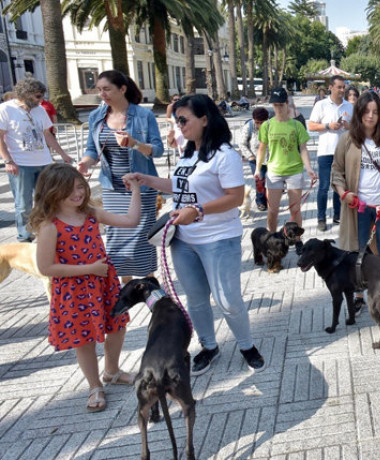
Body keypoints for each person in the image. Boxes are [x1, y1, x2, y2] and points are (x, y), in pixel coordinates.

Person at [124, 94, 266, 374]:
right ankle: (209, 346)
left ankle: (247, 345)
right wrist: (147, 180)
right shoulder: (187, 153)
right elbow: (180, 187)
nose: (179, 126)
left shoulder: (224, 155)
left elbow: (236, 197)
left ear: (205, 119)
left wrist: (198, 211)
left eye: (184, 120)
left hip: (218, 239)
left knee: (228, 300)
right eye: (177, 120)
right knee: (196, 299)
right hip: (184, 241)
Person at [31, 164, 141, 412]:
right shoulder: (49, 226)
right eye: (69, 190)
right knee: (84, 339)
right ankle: (94, 386)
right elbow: (46, 267)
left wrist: (135, 190)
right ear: (52, 192)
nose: (78, 193)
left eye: (80, 186)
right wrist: (88, 269)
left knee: (117, 326)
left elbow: (131, 220)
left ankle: (112, 371)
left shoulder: (91, 213)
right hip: (75, 291)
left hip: (103, 282)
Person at [77, 70, 163, 281]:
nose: (102, 94)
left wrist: (135, 144)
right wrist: (85, 163)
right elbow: (91, 149)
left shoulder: (144, 115)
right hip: (111, 186)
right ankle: (124, 283)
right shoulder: (97, 116)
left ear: (122, 89)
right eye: (99, 90)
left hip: (141, 185)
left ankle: (148, 281)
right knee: (117, 236)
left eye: (107, 89)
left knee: (142, 236)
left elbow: (158, 150)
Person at [332, 91, 380, 310]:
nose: (370, 116)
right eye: (366, 111)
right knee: (358, 252)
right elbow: (336, 171)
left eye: (375, 112)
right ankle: (358, 295)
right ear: (359, 112)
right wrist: (343, 193)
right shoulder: (348, 140)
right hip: (358, 207)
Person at [0, 78, 73, 242]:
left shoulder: (39, 110)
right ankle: (24, 236)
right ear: (25, 94)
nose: (41, 100)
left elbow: (47, 135)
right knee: (23, 203)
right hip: (21, 163)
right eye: (38, 96)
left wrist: (63, 154)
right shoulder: (5, 109)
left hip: (44, 162)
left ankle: (47, 233)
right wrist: (8, 160)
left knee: (47, 199)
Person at [255, 87, 317, 233]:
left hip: (294, 171)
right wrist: (258, 169)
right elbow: (262, 149)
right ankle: (271, 237)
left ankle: (297, 239)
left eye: (281, 105)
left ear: (287, 103)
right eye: (275, 105)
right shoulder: (267, 125)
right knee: (272, 210)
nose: (278, 108)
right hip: (274, 172)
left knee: (295, 210)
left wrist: (309, 168)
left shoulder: (296, 125)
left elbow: (303, 148)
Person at [308, 76, 352, 231]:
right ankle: (321, 218)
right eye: (339, 87)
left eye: (343, 87)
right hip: (325, 152)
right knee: (324, 186)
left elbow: (355, 128)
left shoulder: (349, 106)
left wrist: (347, 126)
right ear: (331, 87)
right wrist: (328, 125)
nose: (342, 90)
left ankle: (338, 215)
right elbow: (311, 126)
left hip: (343, 153)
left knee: (340, 186)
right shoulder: (321, 105)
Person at [240, 107, 270, 211]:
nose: (260, 125)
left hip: (270, 158)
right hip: (255, 158)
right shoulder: (249, 127)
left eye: (263, 122)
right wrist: (250, 156)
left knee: (272, 180)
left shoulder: (272, 125)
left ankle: (271, 198)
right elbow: (242, 143)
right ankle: (260, 201)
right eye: (257, 122)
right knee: (259, 180)